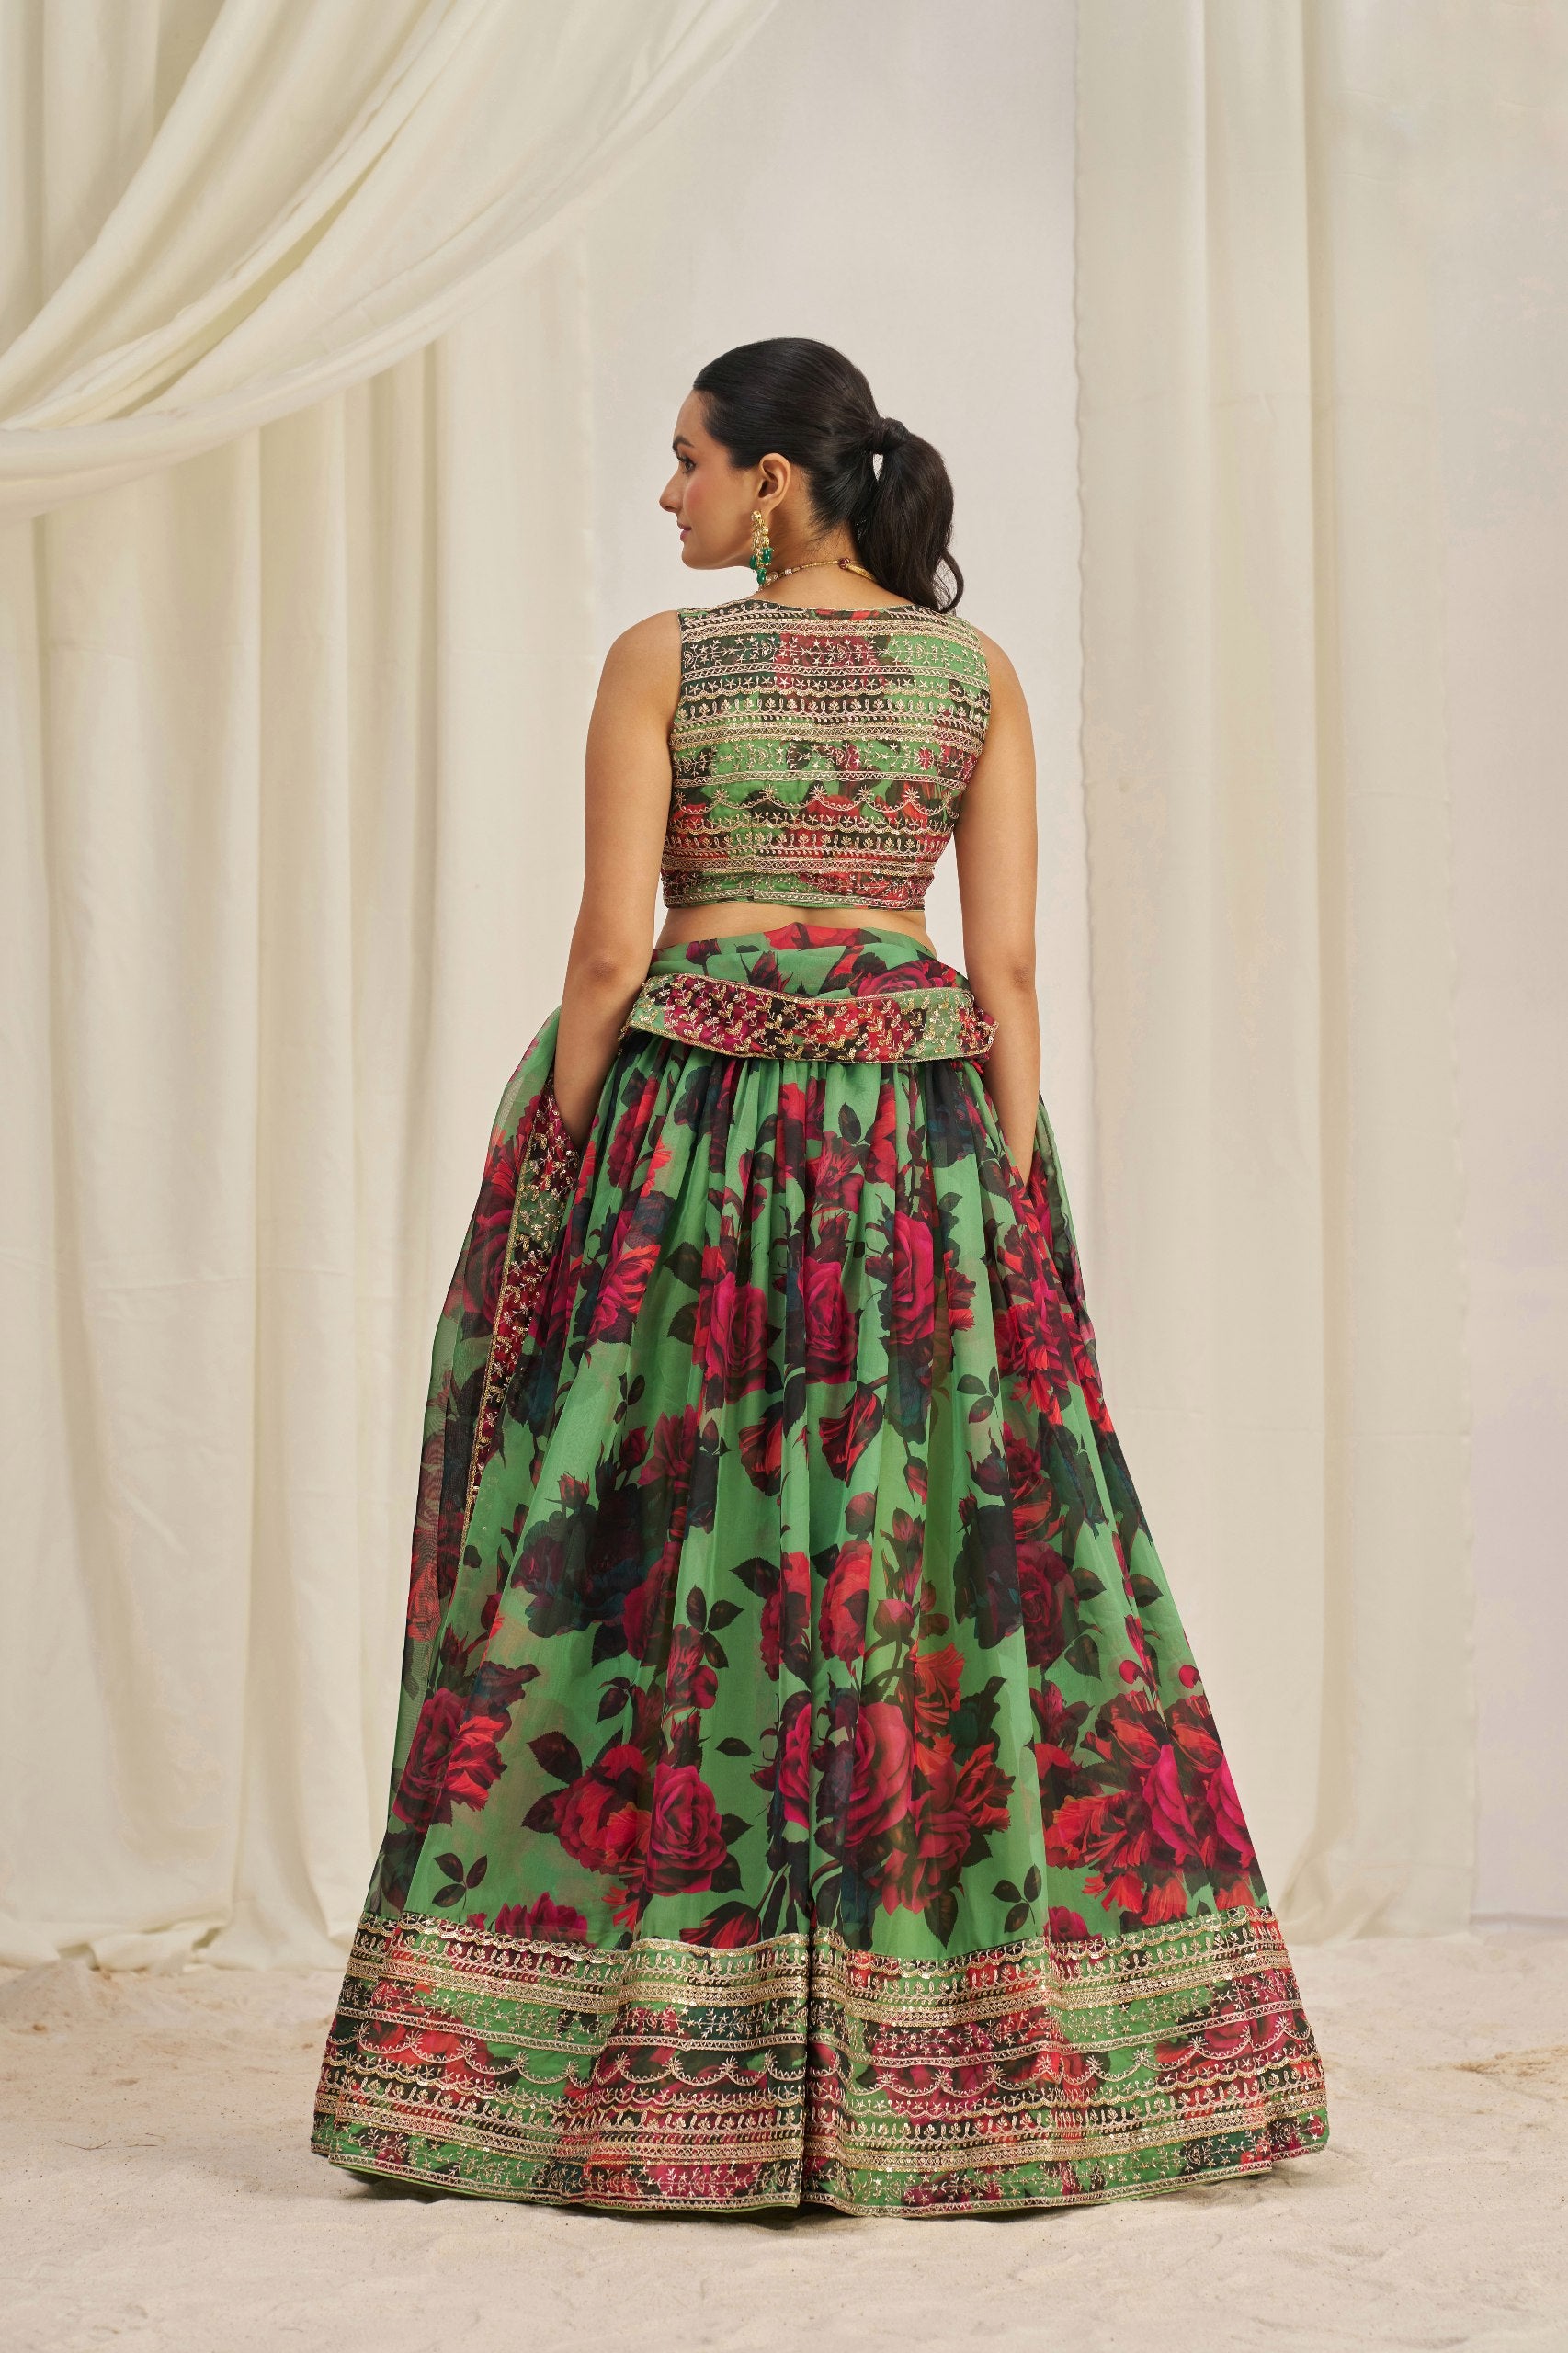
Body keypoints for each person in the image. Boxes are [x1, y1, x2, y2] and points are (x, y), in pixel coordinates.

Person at [312, 336, 1329, 2216]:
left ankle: (567, 2035)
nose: (670, 494)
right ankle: (989, 2038)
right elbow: (1006, 970)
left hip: (696, 1123)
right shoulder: (971, 671)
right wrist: (1006, 1197)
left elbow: (610, 949)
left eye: (689, 460)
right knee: (928, 1541)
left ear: (773, 480)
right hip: (915, 1138)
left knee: (642, 1531)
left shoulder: (664, 661)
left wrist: (562, 1169)